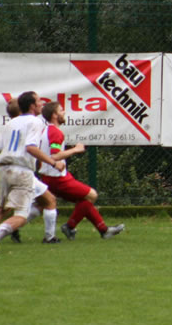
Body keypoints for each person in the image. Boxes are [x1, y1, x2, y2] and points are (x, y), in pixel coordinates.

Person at [0, 92, 66, 253]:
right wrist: (53, 163)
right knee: (21, 215)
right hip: (21, 170)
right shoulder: (35, 122)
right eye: (39, 101)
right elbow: (31, 147)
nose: (42, 103)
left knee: (2, 209)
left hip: (4, 168)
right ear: (32, 106)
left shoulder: (10, 123)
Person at [38, 101, 124, 240]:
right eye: (61, 110)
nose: (64, 112)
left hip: (52, 176)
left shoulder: (46, 130)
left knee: (38, 207)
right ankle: (70, 227)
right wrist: (76, 150)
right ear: (54, 115)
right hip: (57, 178)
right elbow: (54, 155)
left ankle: (103, 230)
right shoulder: (55, 131)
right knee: (91, 195)